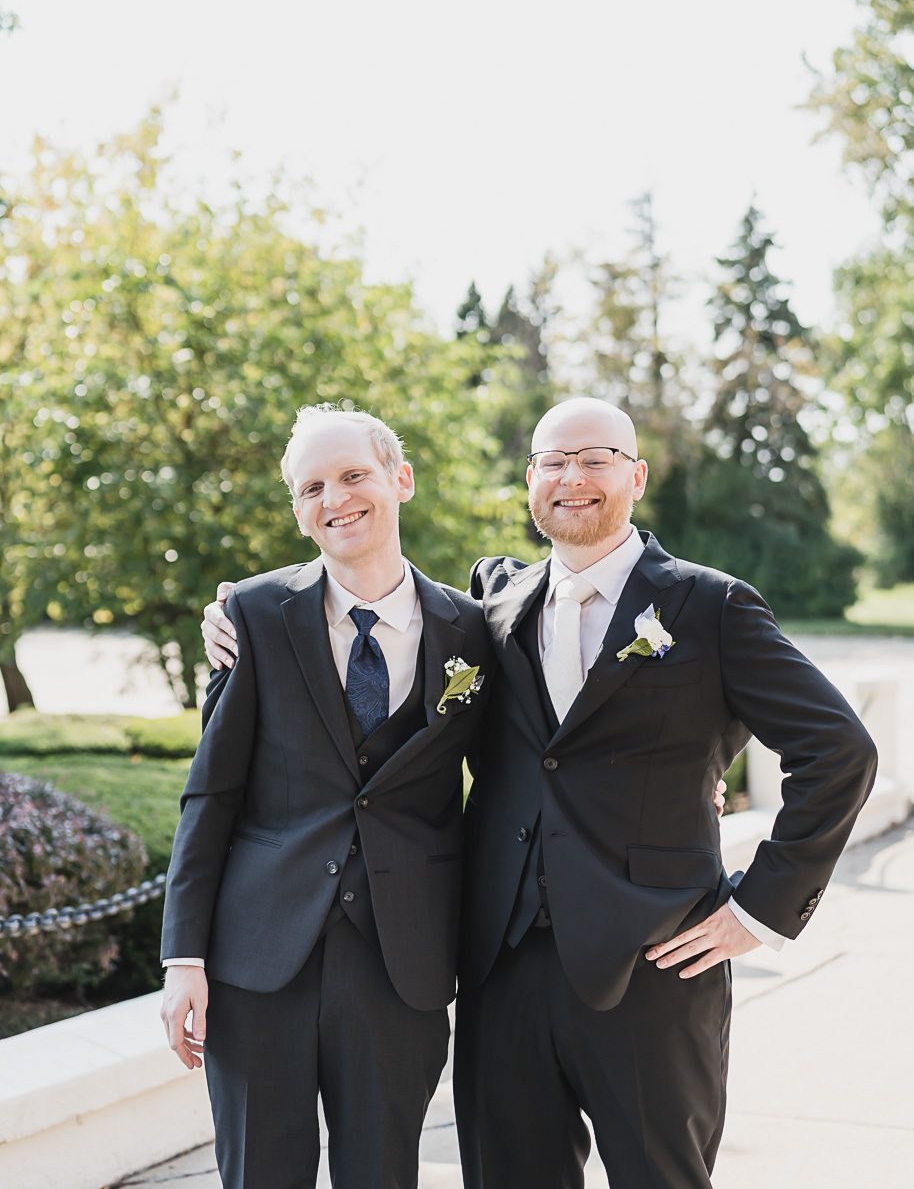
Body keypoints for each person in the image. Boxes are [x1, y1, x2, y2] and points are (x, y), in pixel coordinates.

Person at [201, 397, 875, 1189]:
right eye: (552, 462)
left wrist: (759, 908)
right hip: (502, 966)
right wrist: (233, 615)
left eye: (595, 459)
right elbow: (372, 606)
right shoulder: (492, 606)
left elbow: (838, 750)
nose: (572, 478)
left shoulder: (710, 605)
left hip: (652, 965)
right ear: (531, 481)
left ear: (637, 475)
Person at [160, 404, 492, 1189]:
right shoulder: (253, 616)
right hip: (257, 960)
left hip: (400, 963)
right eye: (311, 486)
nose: (335, 498)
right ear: (298, 509)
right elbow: (211, 793)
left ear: (399, 480)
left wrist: (697, 782)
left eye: (353, 475)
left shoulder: (473, 633)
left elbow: (524, 767)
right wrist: (183, 958)